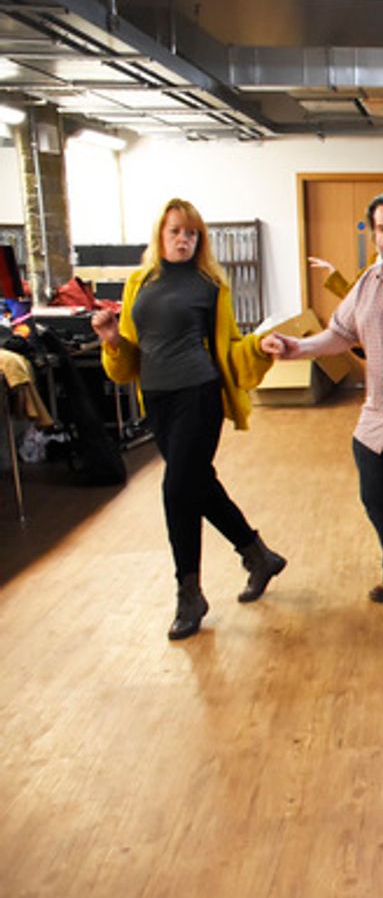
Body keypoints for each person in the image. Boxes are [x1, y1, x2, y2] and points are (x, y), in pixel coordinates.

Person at [91, 198, 285, 641]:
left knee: (177, 488)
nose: (184, 239)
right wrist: (111, 340)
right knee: (196, 484)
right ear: (161, 233)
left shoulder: (210, 284)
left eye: (192, 233)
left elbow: (230, 345)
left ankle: (189, 593)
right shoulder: (139, 282)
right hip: (157, 399)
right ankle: (258, 555)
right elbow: (128, 361)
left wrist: (258, 348)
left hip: (199, 395)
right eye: (177, 231)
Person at [260, 189, 383, 626]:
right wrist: (296, 347)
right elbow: (340, 333)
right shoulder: (369, 280)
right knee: (378, 503)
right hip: (374, 423)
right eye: (382, 229)